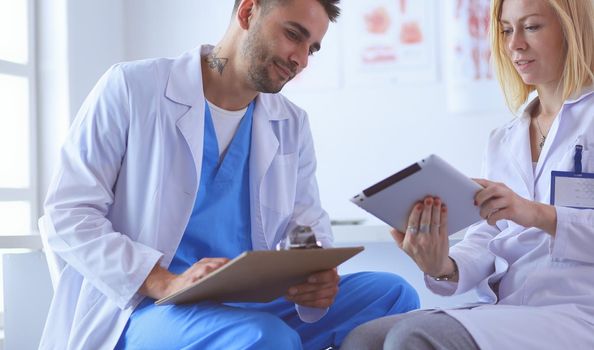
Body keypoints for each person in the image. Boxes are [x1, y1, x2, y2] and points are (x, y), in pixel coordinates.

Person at [38, 0, 420, 349]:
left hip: (248, 300)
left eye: (312, 49)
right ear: (248, 12)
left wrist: (314, 270)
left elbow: (305, 223)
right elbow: (68, 214)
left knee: (393, 296)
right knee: (265, 338)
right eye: (293, 35)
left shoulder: (291, 123)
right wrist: (163, 280)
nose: (301, 60)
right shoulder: (132, 88)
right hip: (148, 307)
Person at [342, 0, 594, 349]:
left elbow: (534, 218)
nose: (514, 44)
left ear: (573, 30)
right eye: (506, 30)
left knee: (412, 338)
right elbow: (486, 238)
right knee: (363, 339)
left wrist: (537, 214)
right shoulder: (505, 138)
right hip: (511, 310)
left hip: (578, 311)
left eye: (532, 27)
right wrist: (443, 264)